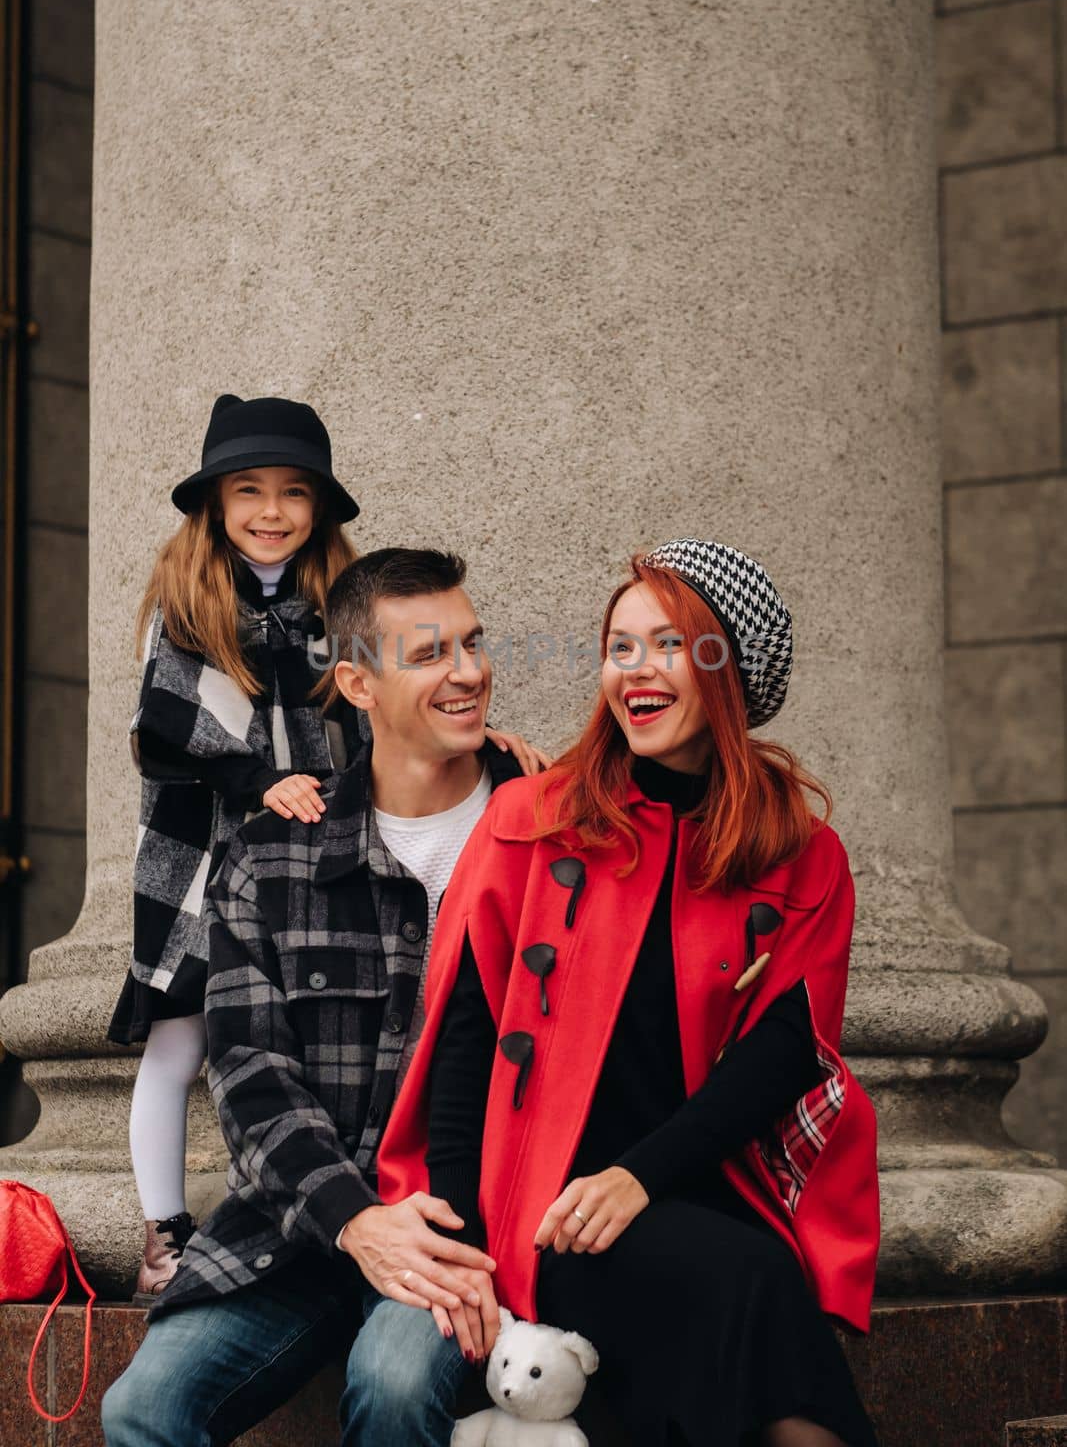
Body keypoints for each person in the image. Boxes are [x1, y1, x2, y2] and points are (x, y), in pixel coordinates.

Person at [379, 538, 882, 1447]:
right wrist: (471, 1254)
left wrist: (638, 1178)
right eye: (620, 646)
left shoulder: (799, 854)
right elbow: (465, 1040)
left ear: (730, 671)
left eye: (671, 646)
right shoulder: (531, 821)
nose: (635, 671)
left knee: (749, 1283)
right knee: (745, 1291)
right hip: (544, 1210)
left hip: (692, 1185)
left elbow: (779, 1057)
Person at [102, 547, 547, 1447]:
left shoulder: (546, 836)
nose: (468, 674)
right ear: (356, 683)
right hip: (301, 1233)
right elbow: (252, 1077)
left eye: (472, 644)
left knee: (391, 1384)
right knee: (140, 1410)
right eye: (429, 655)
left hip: (463, 1229)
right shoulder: (274, 856)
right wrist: (355, 1223)